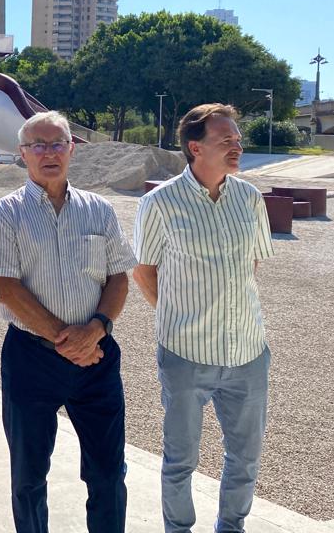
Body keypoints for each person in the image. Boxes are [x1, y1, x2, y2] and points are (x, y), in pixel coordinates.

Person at [0, 110, 136, 533]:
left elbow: (119, 276)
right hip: (32, 358)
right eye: (39, 146)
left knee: (107, 472)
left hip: (98, 359)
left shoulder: (98, 210)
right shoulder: (5, 214)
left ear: (71, 148)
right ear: (23, 154)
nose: (49, 153)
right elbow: (8, 289)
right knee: (29, 477)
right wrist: (68, 342)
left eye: (57, 144)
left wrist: (97, 329)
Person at [132, 103, 274, 533]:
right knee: (180, 461)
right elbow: (144, 271)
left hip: (248, 353)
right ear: (195, 147)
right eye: (226, 140)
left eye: (237, 139)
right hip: (185, 354)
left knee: (245, 458)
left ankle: (232, 527)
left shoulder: (249, 199)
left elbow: (253, 263)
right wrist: (181, 316)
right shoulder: (159, 203)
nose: (237, 146)